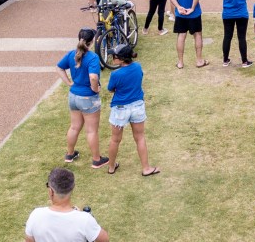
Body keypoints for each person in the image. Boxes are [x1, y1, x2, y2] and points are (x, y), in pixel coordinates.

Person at [104, 44, 160, 177]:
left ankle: (111, 167)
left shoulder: (115, 74)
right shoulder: (138, 67)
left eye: (114, 56)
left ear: (121, 59)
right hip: (137, 106)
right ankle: (146, 168)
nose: (112, 58)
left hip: (120, 109)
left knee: (115, 139)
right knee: (140, 137)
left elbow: (111, 89)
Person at [56, 29, 107, 168]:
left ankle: (70, 154)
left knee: (74, 127)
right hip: (88, 98)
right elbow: (93, 77)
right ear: (91, 41)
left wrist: (69, 83)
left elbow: (59, 68)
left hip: (73, 96)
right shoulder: (93, 57)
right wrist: (95, 89)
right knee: (91, 130)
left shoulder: (72, 54)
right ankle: (96, 159)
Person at [25, 167, 109, 242]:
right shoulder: (85, 220)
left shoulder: (35, 215)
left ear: (51, 191)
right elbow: (104, 239)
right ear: (72, 188)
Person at [169, 0, 209, 69]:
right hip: (194, 14)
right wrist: (192, 8)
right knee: (197, 35)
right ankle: (199, 60)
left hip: (180, 14)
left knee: (181, 36)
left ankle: (180, 62)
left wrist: (178, 7)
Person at [221, 0, 253, 68]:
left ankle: (225, 60)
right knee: (242, 37)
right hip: (241, 13)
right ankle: (244, 61)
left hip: (228, 14)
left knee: (227, 36)